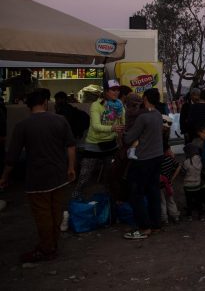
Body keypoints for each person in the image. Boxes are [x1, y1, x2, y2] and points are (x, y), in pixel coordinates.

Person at [0, 89, 76, 262]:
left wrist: (4, 176)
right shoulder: (60, 120)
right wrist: (71, 167)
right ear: (45, 103)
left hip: (38, 178)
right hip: (59, 175)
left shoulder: (23, 126)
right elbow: (71, 146)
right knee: (55, 212)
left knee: (43, 215)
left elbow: (12, 157)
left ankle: (46, 248)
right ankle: (52, 244)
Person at [71, 79, 125, 200]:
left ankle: (107, 203)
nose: (116, 92)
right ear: (106, 91)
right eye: (113, 90)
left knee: (109, 176)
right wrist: (113, 128)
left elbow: (122, 122)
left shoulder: (119, 105)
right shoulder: (96, 105)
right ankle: (76, 199)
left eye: (117, 90)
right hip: (94, 144)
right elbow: (95, 126)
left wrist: (121, 130)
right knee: (85, 175)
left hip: (111, 144)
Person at [122, 88, 164, 240]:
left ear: (145, 98)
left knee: (136, 194)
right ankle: (156, 224)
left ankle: (144, 227)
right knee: (153, 192)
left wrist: (121, 132)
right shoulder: (158, 115)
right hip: (157, 156)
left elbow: (129, 138)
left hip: (144, 159)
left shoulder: (143, 118)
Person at [181, 143, 205, 220]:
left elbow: (183, 173)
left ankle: (189, 216)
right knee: (199, 201)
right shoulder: (200, 159)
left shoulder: (186, 162)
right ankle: (201, 215)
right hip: (197, 184)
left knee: (189, 201)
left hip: (188, 186)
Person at [159, 147, 181, 225]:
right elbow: (179, 166)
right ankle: (175, 216)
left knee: (162, 202)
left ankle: (164, 219)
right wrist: (172, 178)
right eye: (169, 150)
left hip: (160, 185)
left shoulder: (158, 161)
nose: (171, 151)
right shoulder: (170, 159)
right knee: (171, 200)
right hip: (168, 184)